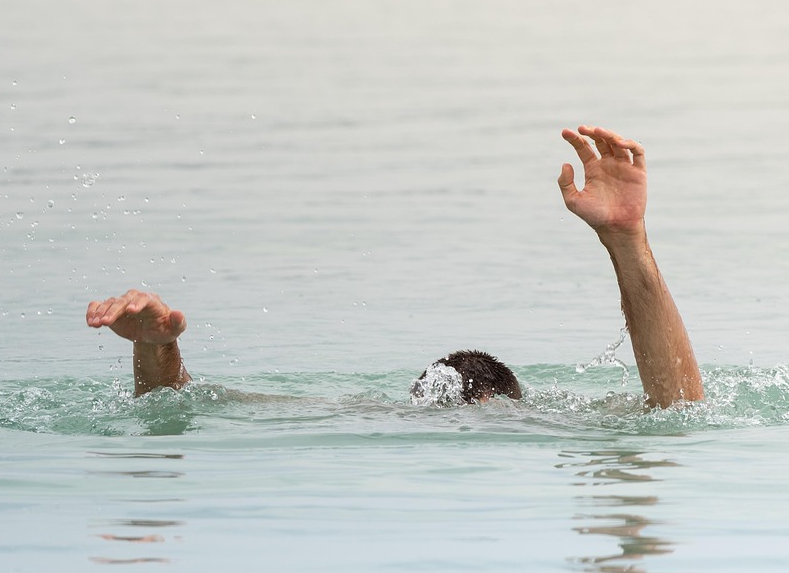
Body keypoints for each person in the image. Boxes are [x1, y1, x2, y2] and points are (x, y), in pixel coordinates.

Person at [86, 126, 704, 408]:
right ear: (505, 405)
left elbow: (182, 405)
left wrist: (155, 353)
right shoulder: (549, 426)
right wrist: (630, 246)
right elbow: (678, 407)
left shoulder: (361, 416)